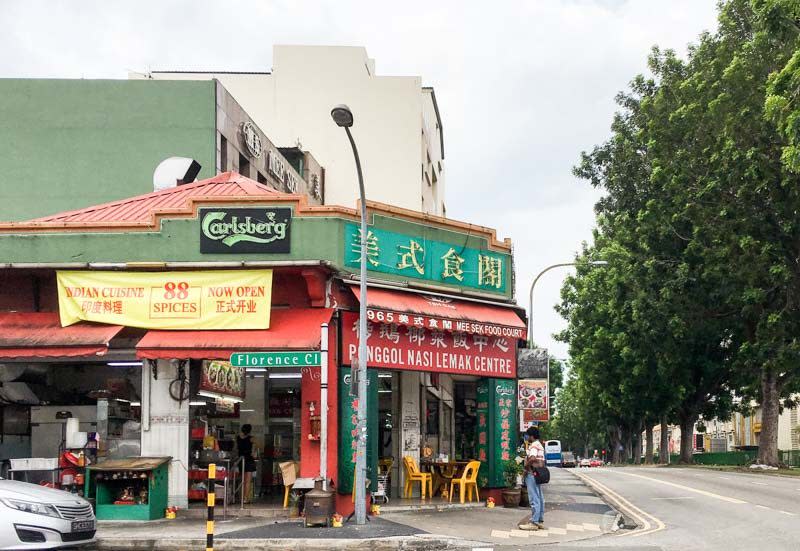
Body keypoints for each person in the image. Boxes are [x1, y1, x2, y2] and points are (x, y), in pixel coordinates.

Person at [519, 426, 545, 531]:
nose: (527, 437)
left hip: (531, 473)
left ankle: (534, 522)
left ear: (532, 436)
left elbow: (533, 457)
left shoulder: (534, 445)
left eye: (528, 435)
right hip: (538, 474)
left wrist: (526, 466)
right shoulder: (540, 445)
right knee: (540, 497)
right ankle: (539, 520)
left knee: (534, 498)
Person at [236, 424, 257, 503]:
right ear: (250, 430)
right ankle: (245, 498)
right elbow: (259, 446)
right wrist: (254, 452)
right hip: (249, 460)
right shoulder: (251, 438)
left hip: (241, 460)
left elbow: (235, 449)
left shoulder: (238, 438)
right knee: (248, 481)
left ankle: (240, 497)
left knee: (242, 480)